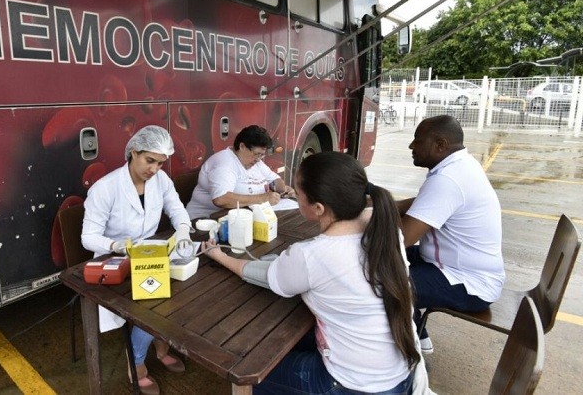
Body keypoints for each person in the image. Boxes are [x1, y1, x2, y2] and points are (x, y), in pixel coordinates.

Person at [202, 151, 425, 394]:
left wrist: (219, 256)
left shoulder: (312, 254)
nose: (295, 198)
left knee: (251, 377)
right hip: (402, 371)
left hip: (353, 385)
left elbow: (265, 275)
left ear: (318, 208)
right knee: (294, 340)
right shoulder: (384, 224)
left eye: (298, 194)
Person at [81, 125, 191, 395]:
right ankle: (138, 363)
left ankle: (159, 341)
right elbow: (88, 237)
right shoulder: (105, 188)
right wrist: (116, 245)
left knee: (184, 287)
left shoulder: (161, 181)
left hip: (149, 254)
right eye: (149, 160)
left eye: (161, 163)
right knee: (153, 301)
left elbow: (176, 209)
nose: (154, 169)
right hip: (115, 261)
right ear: (133, 153)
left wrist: (184, 230)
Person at [397, 115, 505, 354]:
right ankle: (418, 334)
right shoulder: (460, 165)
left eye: (417, 140)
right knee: (387, 263)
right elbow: (424, 203)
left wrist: (355, 229)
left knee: (388, 282)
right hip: (452, 266)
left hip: (468, 282)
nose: (411, 146)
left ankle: (406, 352)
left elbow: (401, 239)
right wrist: (380, 204)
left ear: (440, 145)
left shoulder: (448, 179)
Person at [186, 125, 295, 219]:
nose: (259, 159)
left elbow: (275, 179)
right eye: (257, 154)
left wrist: (281, 189)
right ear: (242, 146)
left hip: (240, 218)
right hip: (206, 223)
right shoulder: (225, 163)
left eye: (262, 155)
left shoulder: (254, 161)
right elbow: (221, 199)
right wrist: (263, 198)